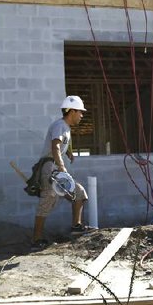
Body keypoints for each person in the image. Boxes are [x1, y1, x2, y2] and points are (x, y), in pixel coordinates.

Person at [32, 95, 92, 248]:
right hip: (50, 166)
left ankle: (76, 226)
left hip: (55, 165)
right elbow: (56, 146)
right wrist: (62, 166)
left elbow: (64, 144)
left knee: (78, 192)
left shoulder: (66, 128)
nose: (81, 115)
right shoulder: (60, 125)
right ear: (72, 111)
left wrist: (69, 153)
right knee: (48, 198)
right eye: (80, 112)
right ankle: (36, 239)